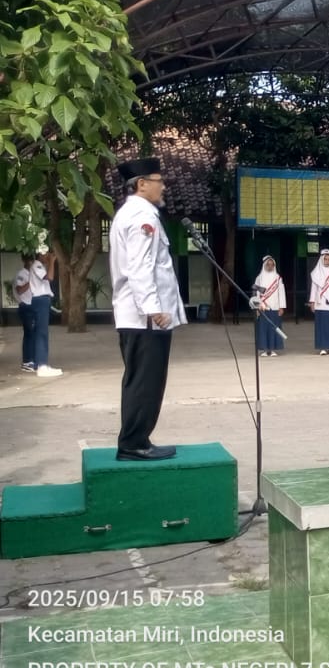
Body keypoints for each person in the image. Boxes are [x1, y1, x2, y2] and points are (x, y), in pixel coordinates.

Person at [109, 156, 186, 461]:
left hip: (136, 315)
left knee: (140, 379)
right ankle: (134, 443)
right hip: (145, 318)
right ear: (142, 184)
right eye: (159, 181)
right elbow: (140, 268)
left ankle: (135, 439)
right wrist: (154, 309)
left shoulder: (131, 213)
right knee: (145, 381)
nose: (163, 186)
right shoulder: (143, 217)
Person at [17, 252, 61, 377]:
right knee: (42, 333)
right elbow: (50, 277)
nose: (48, 255)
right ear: (39, 255)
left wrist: (49, 263)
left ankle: (38, 363)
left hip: (39, 300)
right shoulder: (37, 265)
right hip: (40, 300)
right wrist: (52, 261)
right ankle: (42, 365)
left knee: (39, 333)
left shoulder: (39, 266)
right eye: (46, 253)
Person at [308, 249, 329, 355]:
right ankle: (323, 347)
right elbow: (313, 289)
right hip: (320, 303)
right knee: (321, 326)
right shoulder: (315, 273)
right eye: (325, 259)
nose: (327, 261)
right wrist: (312, 302)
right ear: (322, 260)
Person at [253, 255, 286, 357]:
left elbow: (281, 292)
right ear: (264, 265)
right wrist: (257, 307)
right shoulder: (259, 278)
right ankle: (264, 349)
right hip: (263, 308)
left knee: (274, 328)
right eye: (268, 265)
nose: (270, 266)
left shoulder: (278, 278)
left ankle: (272, 349)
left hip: (275, 307)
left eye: (272, 265)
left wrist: (282, 307)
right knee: (263, 329)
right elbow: (256, 294)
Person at [12, 255, 36, 373]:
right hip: (25, 307)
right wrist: (31, 281)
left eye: (32, 260)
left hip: (32, 306)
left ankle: (32, 359)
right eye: (29, 260)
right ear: (24, 261)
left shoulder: (32, 274)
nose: (31, 262)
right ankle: (27, 362)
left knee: (32, 335)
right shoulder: (22, 274)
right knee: (29, 335)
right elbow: (19, 290)